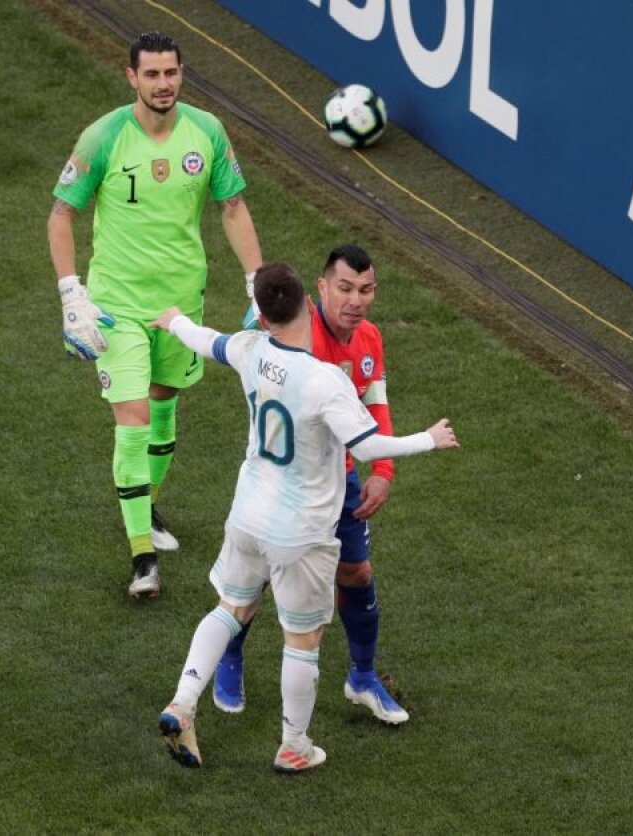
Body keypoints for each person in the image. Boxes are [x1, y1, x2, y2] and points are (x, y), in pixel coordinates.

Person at [152, 263, 458, 772]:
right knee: (302, 639)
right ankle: (294, 745)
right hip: (300, 531)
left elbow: (207, 340)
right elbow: (367, 445)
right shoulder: (325, 380)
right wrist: (428, 439)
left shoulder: (251, 349)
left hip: (247, 514)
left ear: (263, 317)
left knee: (230, 608)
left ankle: (183, 702)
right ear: (309, 306)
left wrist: (174, 321)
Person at [47, 31, 263, 599]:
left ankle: (147, 506)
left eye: (171, 73)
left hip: (180, 306)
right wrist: (72, 295)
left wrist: (256, 281)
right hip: (116, 306)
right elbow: (61, 215)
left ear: (182, 73)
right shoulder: (103, 137)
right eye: (151, 74)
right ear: (131, 77)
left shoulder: (207, 132)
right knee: (134, 419)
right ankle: (142, 558)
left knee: (165, 408)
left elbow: (233, 206)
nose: (163, 84)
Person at [213, 244, 411, 724]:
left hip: (339, 480)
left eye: (366, 290)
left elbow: (375, 403)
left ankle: (362, 677)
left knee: (356, 573)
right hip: (285, 486)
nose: (355, 301)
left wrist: (383, 472)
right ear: (321, 288)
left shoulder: (369, 338)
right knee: (258, 577)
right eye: (345, 288)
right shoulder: (296, 339)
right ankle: (229, 658)